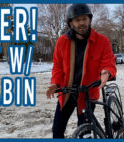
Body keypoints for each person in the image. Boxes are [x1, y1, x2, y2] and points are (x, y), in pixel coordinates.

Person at [46, 4, 116, 138]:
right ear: (71, 23)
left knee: (85, 133)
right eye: (77, 20)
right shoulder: (62, 42)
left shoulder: (102, 41)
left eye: (84, 19)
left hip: (88, 93)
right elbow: (58, 67)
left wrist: (106, 72)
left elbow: (108, 61)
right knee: (57, 130)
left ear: (89, 20)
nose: (82, 23)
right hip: (67, 92)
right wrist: (55, 83)